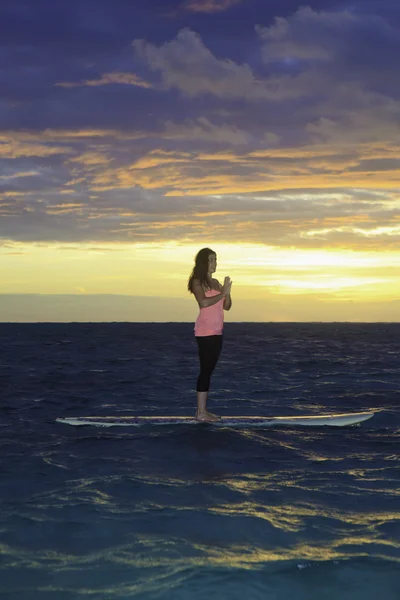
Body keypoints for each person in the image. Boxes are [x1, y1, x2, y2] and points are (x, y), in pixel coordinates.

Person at [187, 248, 232, 422]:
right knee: (205, 371)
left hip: (217, 331)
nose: (215, 263)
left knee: (209, 371)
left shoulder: (215, 282)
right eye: (212, 260)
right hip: (204, 332)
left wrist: (227, 292)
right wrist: (222, 293)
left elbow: (226, 306)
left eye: (216, 260)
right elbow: (204, 303)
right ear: (204, 262)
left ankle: (204, 410)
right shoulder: (197, 282)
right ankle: (200, 413)